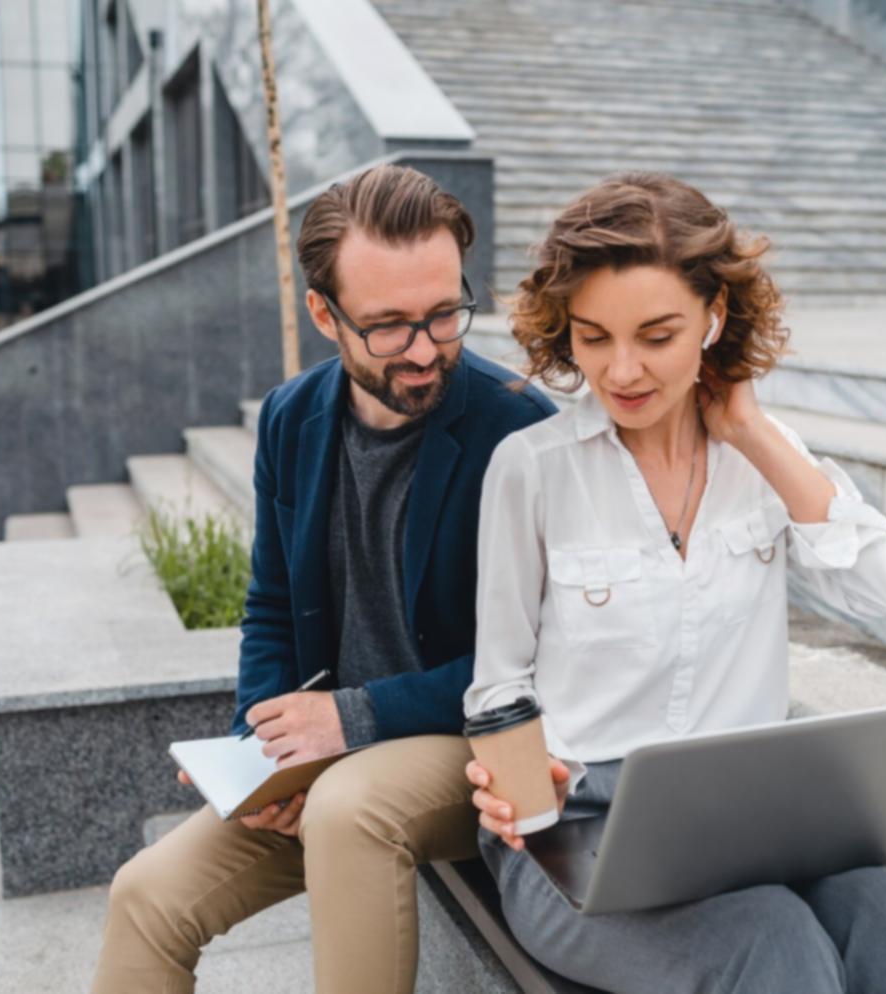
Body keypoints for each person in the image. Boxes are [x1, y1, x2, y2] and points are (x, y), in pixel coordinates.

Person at [462, 172, 886, 994]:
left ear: (714, 318)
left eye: (657, 336)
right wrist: (529, 777)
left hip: (755, 822)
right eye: (593, 338)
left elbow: (884, 588)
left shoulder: (759, 456)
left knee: (883, 914)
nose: (621, 370)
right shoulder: (532, 470)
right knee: (774, 943)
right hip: (579, 833)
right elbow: (498, 685)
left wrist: (752, 432)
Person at [91, 163, 556, 994]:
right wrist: (258, 753)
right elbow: (270, 606)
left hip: (469, 742)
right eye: (388, 326)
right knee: (143, 896)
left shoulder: (517, 431)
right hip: (331, 758)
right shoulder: (290, 418)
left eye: (445, 314)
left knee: (349, 808)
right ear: (323, 313)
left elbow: (543, 656)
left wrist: (355, 719)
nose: (424, 350)